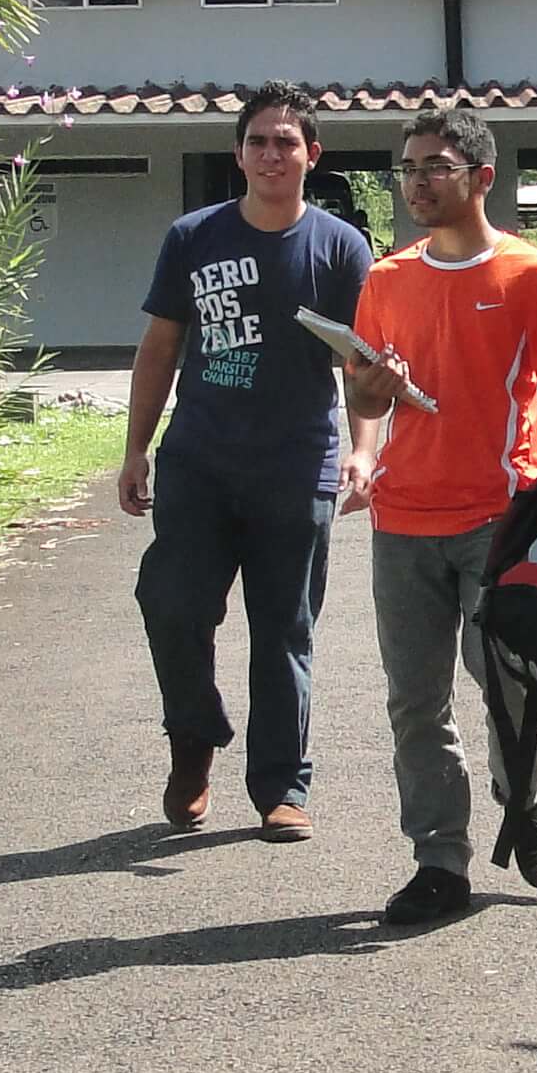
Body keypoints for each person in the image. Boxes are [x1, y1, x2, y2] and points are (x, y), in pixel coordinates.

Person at [337, 105, 537, 928]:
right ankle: (440, 860)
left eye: (433, 166)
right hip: (402, 522)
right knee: (415, 701)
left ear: (481, 177)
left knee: (508, 681)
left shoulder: (532, 276)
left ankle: (526, 803)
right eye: (407, 168)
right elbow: (364, 390)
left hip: (499, 516)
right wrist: (363, 451)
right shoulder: (386, 279)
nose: (415, 182)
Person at [119, 83, 374, 839]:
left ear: (312, 155)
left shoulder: (340, 247)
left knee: (284, 627)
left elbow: (364, 366)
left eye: (287, 142)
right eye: (259, 141)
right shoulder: (193, 237)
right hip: (199, 459)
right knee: (171, 603)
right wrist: (134, 448)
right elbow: (160, 346)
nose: (272, 154)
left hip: (296, 464)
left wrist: (363, 451)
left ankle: (281, 786)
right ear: (239, 154)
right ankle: (192, 739)